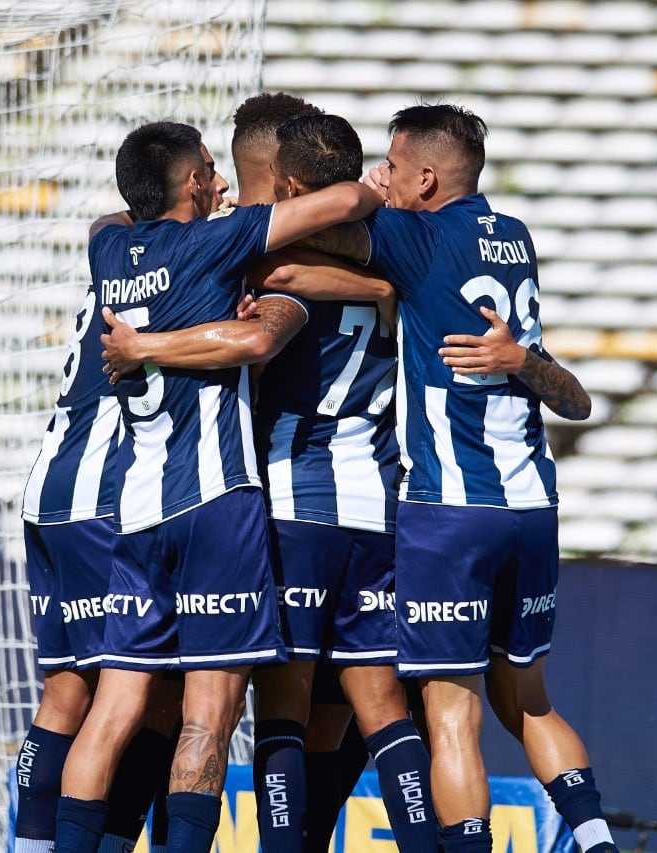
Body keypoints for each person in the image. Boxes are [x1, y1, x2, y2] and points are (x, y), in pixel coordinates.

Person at [259, 104, 619, 853]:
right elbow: (578, 401)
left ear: (425, 179)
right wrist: (520, 360)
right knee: (529, 702)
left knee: (451, 717)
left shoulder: (416, 238)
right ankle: (596, 841)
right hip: (534, 505)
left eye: (391, 166)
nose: (381, 177)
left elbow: (302, 233)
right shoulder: (515, 237)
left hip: (449, 511)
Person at [98, 113, 437, 853]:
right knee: (377, 710)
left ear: (284, 184)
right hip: (377, 502)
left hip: (285, 500)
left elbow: (261, 314)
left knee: (246, 710)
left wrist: (150, 341)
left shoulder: (248, 257)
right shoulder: (403, 260)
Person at [13, 203, 189, 853]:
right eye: (206, 174)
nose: (218, 185)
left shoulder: (112, 251)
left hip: (47, 490)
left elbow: (101, 221)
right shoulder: (178, 267)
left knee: (65, 695)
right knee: (151, 699)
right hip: (103, 501)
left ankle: (30, 845)